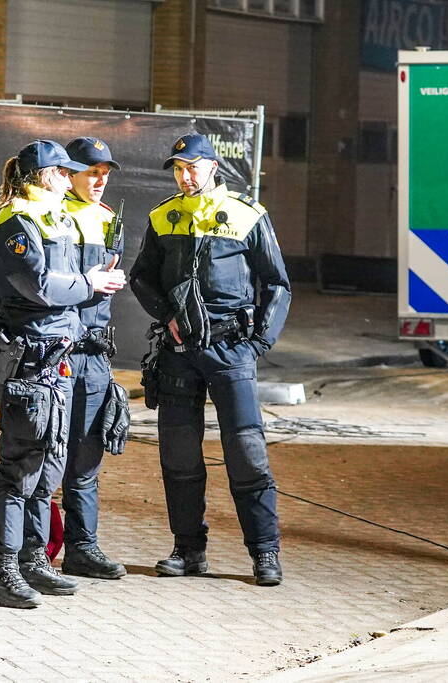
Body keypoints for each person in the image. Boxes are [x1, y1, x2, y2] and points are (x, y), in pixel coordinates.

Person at [128, 133, 291, 586]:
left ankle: (264, 553)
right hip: (179, 354)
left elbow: (277, 284)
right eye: (178, 168)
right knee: (179, 457)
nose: (184, 176)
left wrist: (258, 344)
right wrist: (167, 316)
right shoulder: (164, 216)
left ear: (213, 167)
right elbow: (141, 278)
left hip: (231, 349)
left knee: (247, 453)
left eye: (192, 167)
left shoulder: (247, 215)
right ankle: (188, 550)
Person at [0, 139, 126, 608]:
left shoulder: (52, 217)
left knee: (50, 463)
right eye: (64, 172)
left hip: (56, 353)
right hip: (30, 357)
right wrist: (90, 283)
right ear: (45, 176)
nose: (71, 179)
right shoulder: (15, 221)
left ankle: (31, 559)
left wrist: (89, 287)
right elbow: (36, 285)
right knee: (19, 468)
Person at [58, 137, 129, 580]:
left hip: (95, 355)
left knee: (85, 458)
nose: (100, 179)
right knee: (45, 458)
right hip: (57, 353)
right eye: (92, 170)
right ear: (70, 172)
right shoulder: (52, 215)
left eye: (106, 172)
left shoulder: (108, 220)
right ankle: (30, 552)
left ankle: (82, 548)